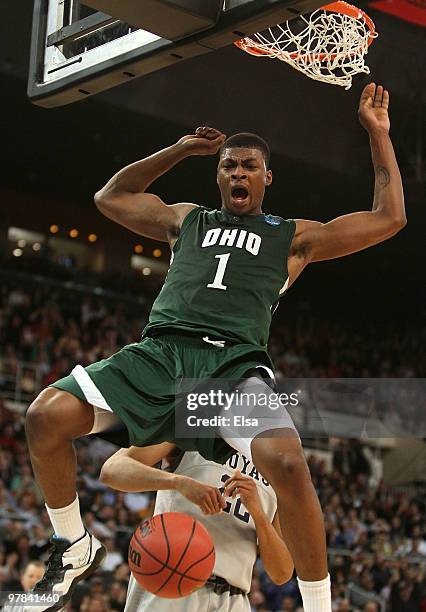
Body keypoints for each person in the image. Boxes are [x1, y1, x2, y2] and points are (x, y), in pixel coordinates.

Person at [25, 83, 406, 612]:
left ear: (267, 176)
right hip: (161, 354)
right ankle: (73, 544)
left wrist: (378, 135)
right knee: (45, 415)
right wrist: (179, 150)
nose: (236, 174)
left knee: (290, 467)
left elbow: (389, 217)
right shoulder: (187, 219)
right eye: (228, 166)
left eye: (248, 165)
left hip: (232, 366)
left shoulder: (292, 236)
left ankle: (319, 605)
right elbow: (109, 198)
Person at [98, 444, 294, 611]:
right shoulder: (191, 427)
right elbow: (112, 470)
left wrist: (258, 515)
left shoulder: (275, 468)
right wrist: (178, 482)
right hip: (169, 581)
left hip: (233, 598)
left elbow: (282, 573)